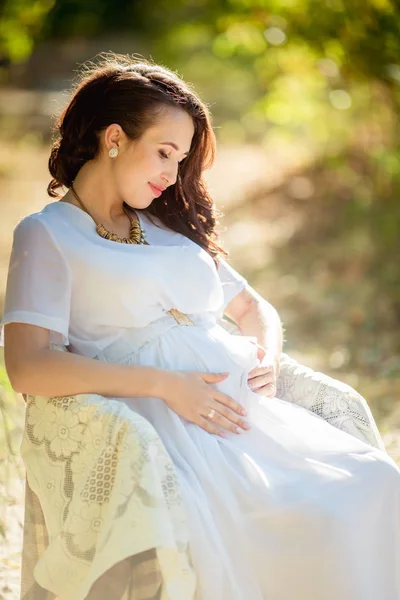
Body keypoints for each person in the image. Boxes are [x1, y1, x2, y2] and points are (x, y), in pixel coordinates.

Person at [1, 53, 399, 600]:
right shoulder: (47, 235)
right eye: (164, 153)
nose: (172, 173)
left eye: (181, 158)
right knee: (271, 527)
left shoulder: (164, 223)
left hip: (242, 417)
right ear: (113, 137)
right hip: (161, 430)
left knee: (370, 484)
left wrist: (265, 353)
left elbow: (254, 308)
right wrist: (165, 386)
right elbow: (27, 366)